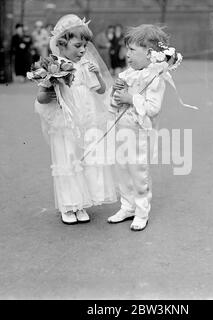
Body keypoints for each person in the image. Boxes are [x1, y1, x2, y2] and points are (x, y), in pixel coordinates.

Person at [34, 14, 117, 225]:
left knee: (83, 159)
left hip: (86, 120)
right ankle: (69, 205)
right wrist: (49, 91)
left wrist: (98, 74)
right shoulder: (55, 67)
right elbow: (41, 98)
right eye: (78, 45)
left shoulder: (86, 65)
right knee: (67, 158)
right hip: (65, 122)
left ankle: (81, 202)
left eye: (85, 46)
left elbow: (101, 90)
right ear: (62, 43)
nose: (83, 50)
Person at [107, 24, 170, 231]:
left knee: (138, 171)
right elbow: (115, 104)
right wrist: (116, 94)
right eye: (128, 49)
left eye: (133, 50)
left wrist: (130, 97)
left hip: (140, 133)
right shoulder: (128, 74)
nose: (128, 55)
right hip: (122, 130)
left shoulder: (155, 78)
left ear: (150, 54)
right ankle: (127, 206)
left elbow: (153, 108)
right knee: (122, 169)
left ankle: (142, 211)